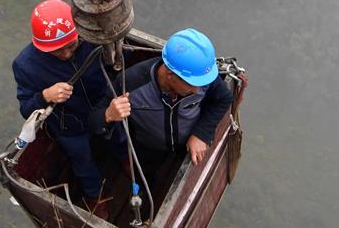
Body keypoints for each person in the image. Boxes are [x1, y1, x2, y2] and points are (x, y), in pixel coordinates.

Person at [89, 28, 238, 184]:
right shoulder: (131, 83)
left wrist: (201, 133)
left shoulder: (201, 78)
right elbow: (93, 122)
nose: (197, 90)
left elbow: (224, 99)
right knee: (147, 173)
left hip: (188, 140)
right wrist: (108, 115)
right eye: (192, 84)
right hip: (149, 147)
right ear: (170, 75)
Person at [13, 0, 110, 218]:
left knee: (120, 139)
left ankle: (126, 164)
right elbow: (26, 109)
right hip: (69, 125)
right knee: (82, 161)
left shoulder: (94, 39)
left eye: (71, 46)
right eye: (57, 51)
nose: (66, 54)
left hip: (104, 109)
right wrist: (44, 96)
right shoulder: (26, 65)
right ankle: (95, 195)